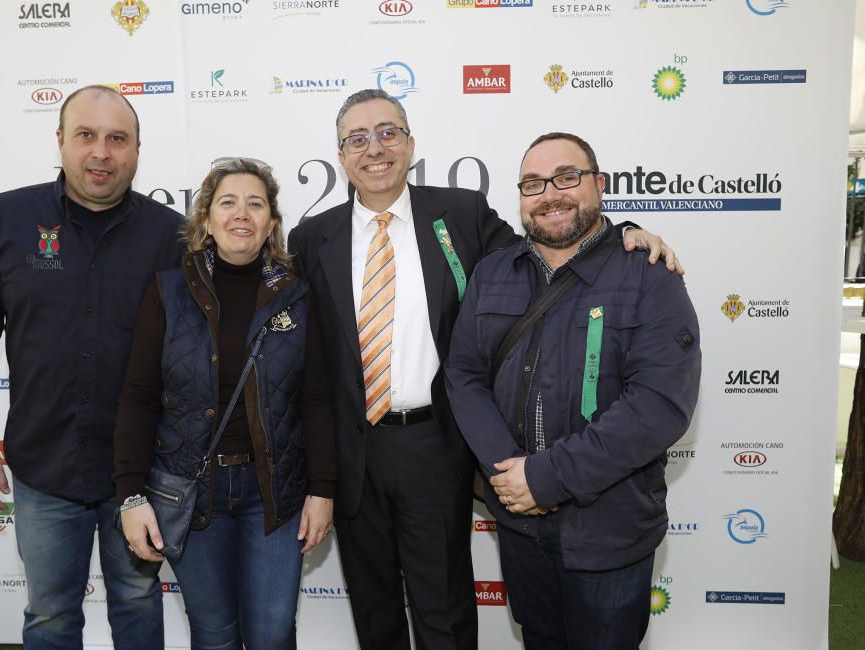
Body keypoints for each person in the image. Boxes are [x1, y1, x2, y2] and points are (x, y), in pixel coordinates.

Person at [286, 89, 684, 650]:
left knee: (443, 608)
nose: (374, 148)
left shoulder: (461, 214)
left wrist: (625, 231)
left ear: (410, 143)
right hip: (353, 454)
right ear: (341, 155)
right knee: (372, 608)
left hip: (434, 441)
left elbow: (555, 243)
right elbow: (303, 358)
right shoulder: (311, 239)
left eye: (388, 132)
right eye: (358, 138)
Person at [0, 84, 182, 650]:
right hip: (44, 468)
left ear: (138, 149)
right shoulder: (5, 219)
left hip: (139, 475)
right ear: (61, 142)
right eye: (86, 136)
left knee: (140, 604)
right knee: (50, 616)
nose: (101, 153)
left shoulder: (171, 235)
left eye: (117, 139)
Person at [444, 132, 701, 649]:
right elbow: (464, 375)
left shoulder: (649, 274)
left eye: (567, 177)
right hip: (518, 520)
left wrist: (546, 478)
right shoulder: (494, 272)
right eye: (534, 183)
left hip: (609, 527)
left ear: (599, 185)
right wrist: (510, 473)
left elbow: (659, 406)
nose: (550, 194)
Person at [113, 157, 336, 650]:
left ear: (272, 222)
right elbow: (138, 397)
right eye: (228, 202)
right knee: (213, 636)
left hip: (274, 491)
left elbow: (316, 399)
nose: (242, 214)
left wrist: (322, 490)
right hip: (193, 491)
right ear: (206, 219)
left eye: (255, 204)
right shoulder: (168, 291)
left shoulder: (297, 296)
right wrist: (131, 495)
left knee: (272, 633)